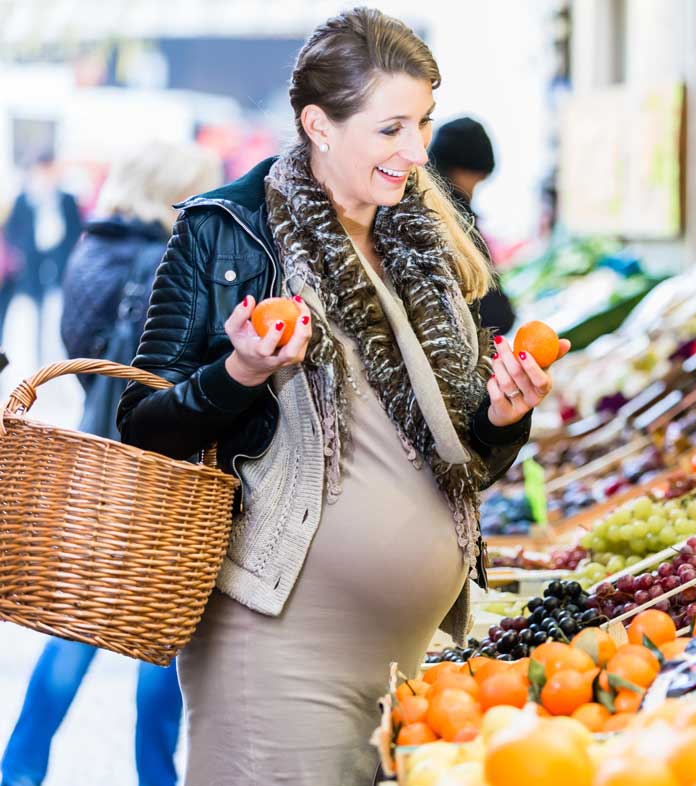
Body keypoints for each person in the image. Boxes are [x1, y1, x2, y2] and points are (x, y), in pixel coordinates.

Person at [116, 8, 569, 786]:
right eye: (391, 129)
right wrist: (243, 370)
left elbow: (463, 460)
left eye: (422, 124)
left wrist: (503, 416)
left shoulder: (423, 243)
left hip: (411, 653)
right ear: (319, 126)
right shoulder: (228, 232)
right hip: (279, 649)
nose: (417, 152)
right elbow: (142, 429)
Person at [0, 142, 222, 786]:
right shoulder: (161, 261)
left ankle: (20, 767)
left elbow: (79, 345)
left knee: (78, 616)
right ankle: (156, 776)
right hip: (150, 470)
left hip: (95, 463)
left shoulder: (94, 246)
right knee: (160, 629)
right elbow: (160, 373)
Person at [429, 116, 516, 335]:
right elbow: (496, 315)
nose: (473, 192)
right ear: (462, 170)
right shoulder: (452, 220)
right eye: (476, 180)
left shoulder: (413, 208)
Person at [2, 151, 82, 358]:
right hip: (33, 264)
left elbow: (75, 228)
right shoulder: (24, 199)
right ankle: (37, 355)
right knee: (33, 313)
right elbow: (14, 231)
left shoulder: (66, 199)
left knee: (58, 312)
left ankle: (57, 358)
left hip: (59, 262)